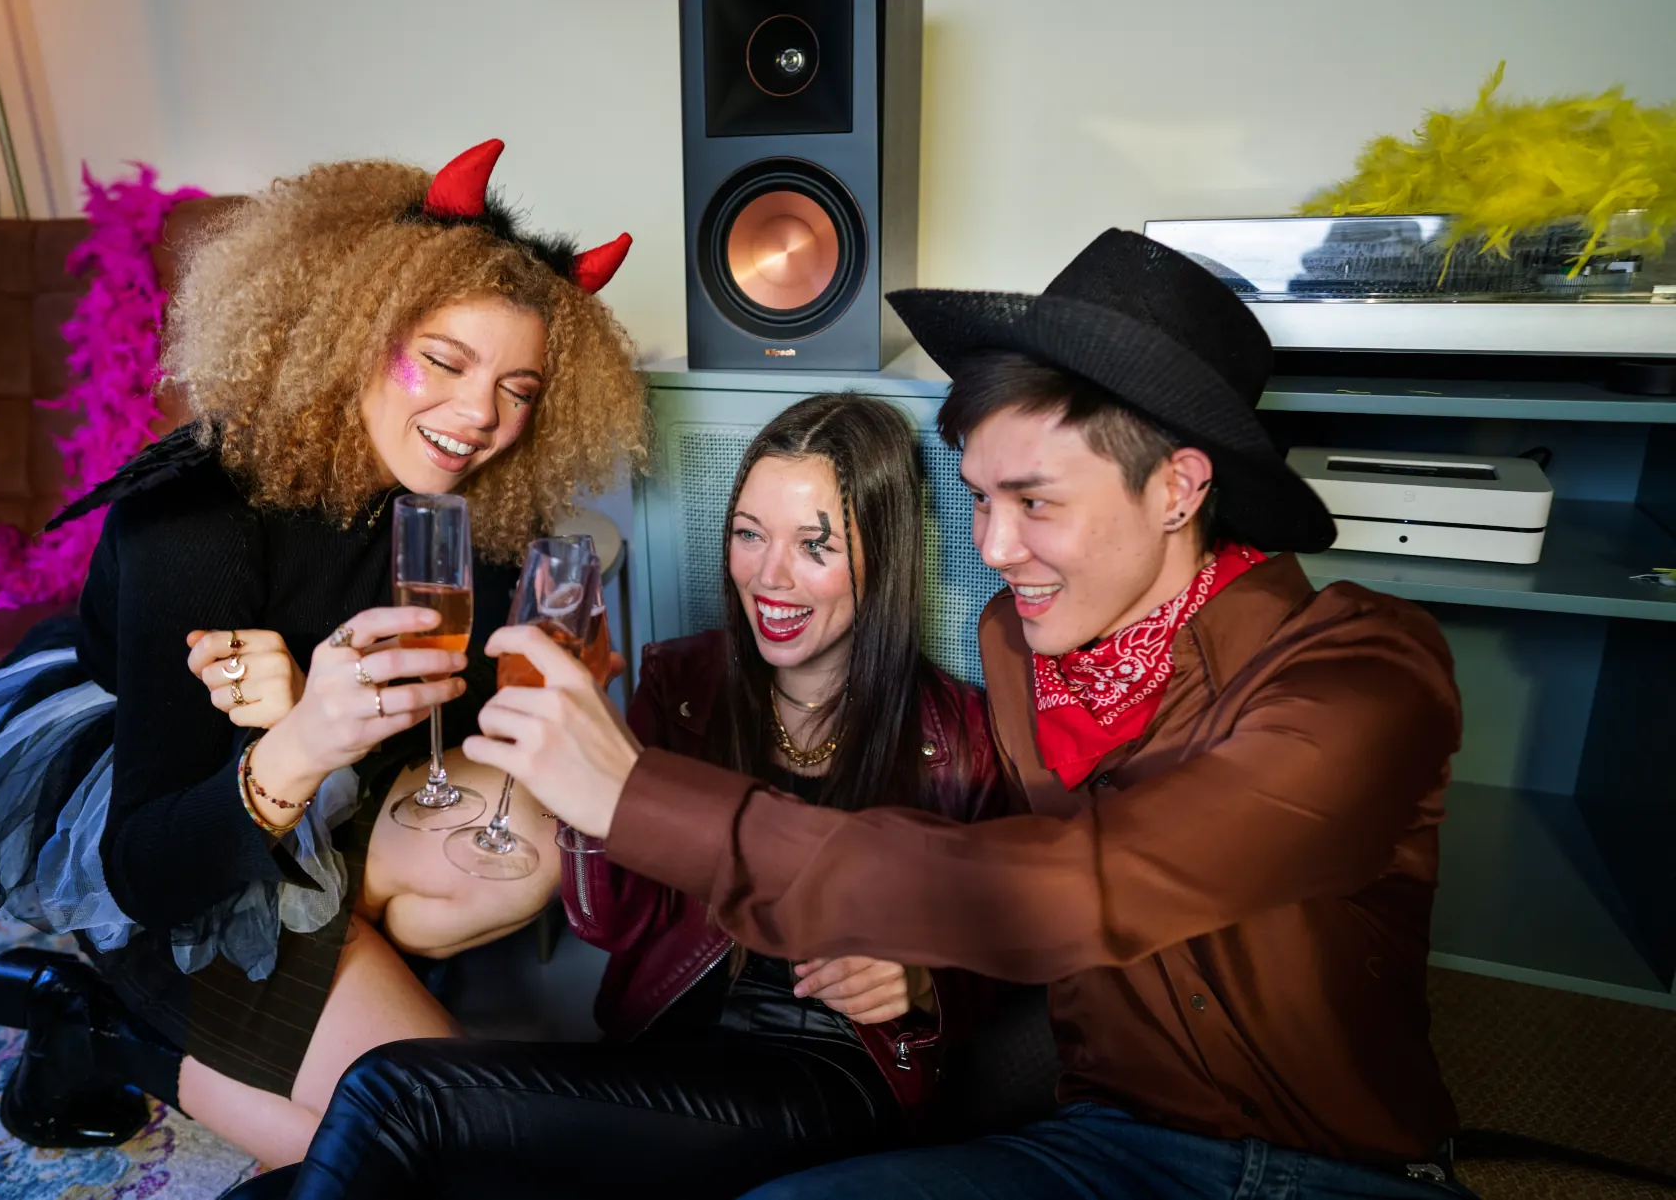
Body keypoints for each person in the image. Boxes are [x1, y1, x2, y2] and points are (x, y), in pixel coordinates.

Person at [464, 231, 1476, 1199]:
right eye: (980, 499)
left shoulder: (1366, 672)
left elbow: (1074, 888)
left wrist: (641, 795)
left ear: (1178, 487)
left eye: (1034, 503)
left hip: (1338, 1167)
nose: (992, 545)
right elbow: (964, 878)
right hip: (1099, 1144)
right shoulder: (1016, 646)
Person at [0, 139, 646, 1168]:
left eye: (520, 387)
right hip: (167, 810)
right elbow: (149, 869)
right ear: (353, 332)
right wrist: (295, 739)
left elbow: (457, 715)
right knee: (433, 1149)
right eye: (444, 359)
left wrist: (555, 696)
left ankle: (314, 964)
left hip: (327, 781)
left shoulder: (473, 510)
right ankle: (112, 1021)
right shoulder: (192, 521)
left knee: (525, 848)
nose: (482, 417)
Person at [260, 393, 1007, 1200]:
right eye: (748, 535)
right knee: (376, 1162)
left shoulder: (959, 735)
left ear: (883, 554)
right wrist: (588, 777)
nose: (769, 575)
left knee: (395, 1093)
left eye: (814, 545)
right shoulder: (685, 684)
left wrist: (925, 982)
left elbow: (1021, 935)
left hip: (831, 1077)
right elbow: (614, 921)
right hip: (670, 1057)